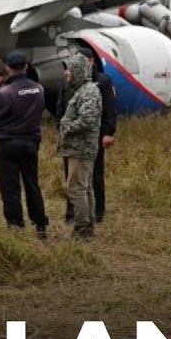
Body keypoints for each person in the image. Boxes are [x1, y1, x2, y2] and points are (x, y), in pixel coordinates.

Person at [0, 50, 49, 239]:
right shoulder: (39, 89)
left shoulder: (5, 92)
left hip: (9, 144)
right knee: (32, 185)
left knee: (10, 187)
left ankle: (16, 228)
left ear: (7, 68)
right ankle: (40, 226)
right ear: (26, 67)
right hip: (31, 143)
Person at [58, 46, 117, 223]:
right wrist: (60, 128)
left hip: (89, 138)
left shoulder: (100, 83)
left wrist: (108, 132)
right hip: (72, 140)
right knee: (73, 177)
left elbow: (109, 109)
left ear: (91, 61)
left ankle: (95, 214)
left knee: (93, 177)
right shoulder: (70, 84)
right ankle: (74, 213)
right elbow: (61, 107)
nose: (68, 71)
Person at [57, 53, 103, 240]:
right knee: (85, 187)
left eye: (68, 69)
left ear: (77, 69)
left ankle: (83, 229)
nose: (66, 73)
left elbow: (87, 120)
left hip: (81, 149)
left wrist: (66, 126)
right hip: (78, 148)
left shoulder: (89, 91)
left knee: (76, 188)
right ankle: (88, 225)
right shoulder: (81, 90)